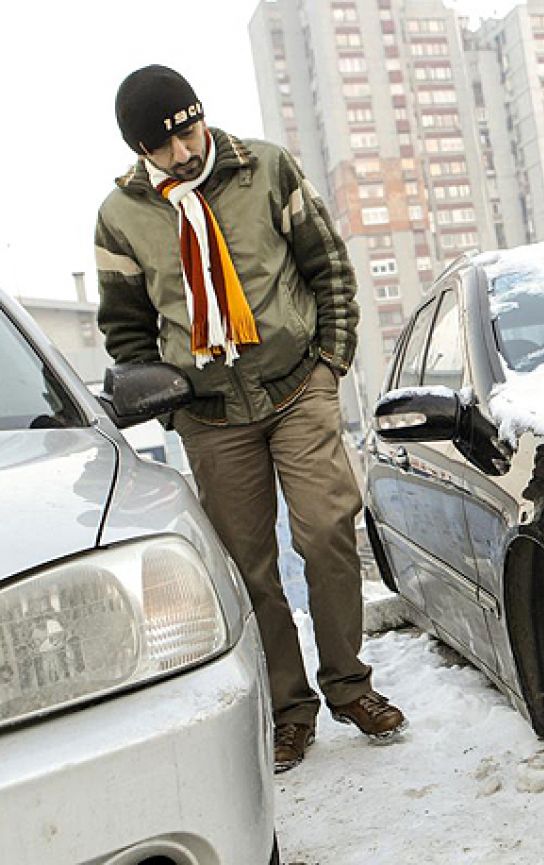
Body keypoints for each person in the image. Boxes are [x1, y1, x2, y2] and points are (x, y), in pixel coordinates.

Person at [96, 65, 405, 773]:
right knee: (248, 565)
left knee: (326, 529)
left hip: (297, 386)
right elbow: (126, 329)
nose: (183, 153)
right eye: (164, 147)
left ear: (200, 116)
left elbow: (328, 267)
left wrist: (330, 360)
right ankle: (289, 708)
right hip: (211, 415)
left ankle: (349, 685)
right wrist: (174, 410)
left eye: (189, 131)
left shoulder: (265, 168)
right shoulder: (122, 216)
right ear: (141, 149)